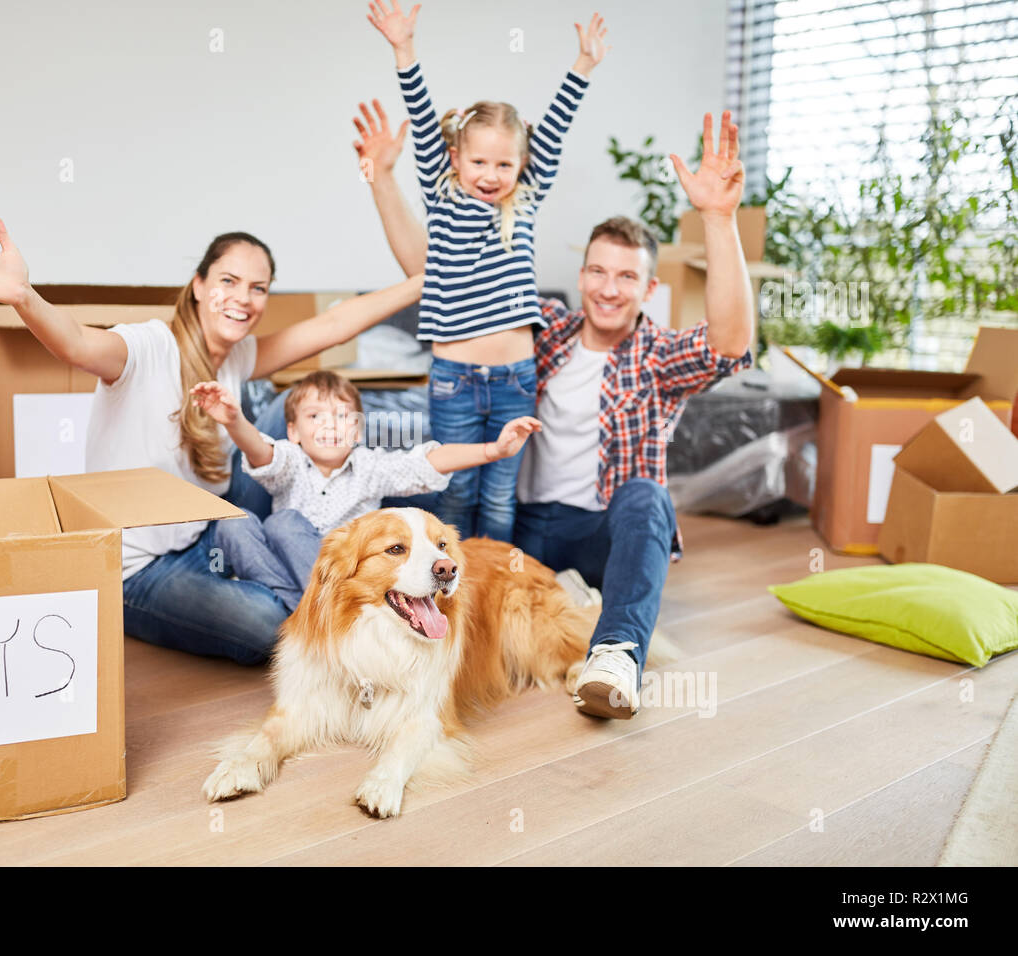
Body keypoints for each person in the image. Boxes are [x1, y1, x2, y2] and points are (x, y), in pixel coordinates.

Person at [351, 103, 756, 718]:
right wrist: (383, 178)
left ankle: (614, 652)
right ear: (583, 274)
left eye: (626, 277)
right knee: (400, 503)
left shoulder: (656, 355)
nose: (609, 287)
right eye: (597, 270)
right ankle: (381, 646)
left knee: (649, 499)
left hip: (592, 529)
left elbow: (729, 342)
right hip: (520, 521)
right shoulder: (546, 329)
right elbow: (435, 272)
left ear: (648, 290)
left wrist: (718, 219)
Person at [0, 224, 422, 665]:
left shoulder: (235, 356)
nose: (242, 298)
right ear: (200, 286)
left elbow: (332, 327)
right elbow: (77, 343)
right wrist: (23, 296)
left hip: (208, 525)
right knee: (263, 623)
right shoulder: (146, 347)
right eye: (228, 281)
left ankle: (291, 566)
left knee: (289, 414)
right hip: (141, 568)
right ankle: (309, 602)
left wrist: (420, 284)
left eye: (258, 288)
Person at [364, 1, 609, 543]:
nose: (491, 175)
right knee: (458, 492)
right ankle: (452, 593)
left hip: (516, 381)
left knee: (500, 494)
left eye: (504, 164)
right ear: (455, 160)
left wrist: (583, 68)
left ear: (521, 166)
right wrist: (404, 49)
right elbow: (424, 119)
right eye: (479, 162)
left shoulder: (524, 200)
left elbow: (557, 127)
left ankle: (492, 595)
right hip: (454, 381)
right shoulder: (442, 195)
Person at [190, 369, 541, 606]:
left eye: (341, 417)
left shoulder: (370, 467)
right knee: (235, 522)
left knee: (281, 523)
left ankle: (326, 609)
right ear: (294, 432)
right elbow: (261, 451)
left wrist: (494, 450)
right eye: (315, 417)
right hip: (292, 579)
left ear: (357, 431)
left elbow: (427, 462)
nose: (330, 426)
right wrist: (234, 420)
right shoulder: (290, 462)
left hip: (347, 581)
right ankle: (303, 611)